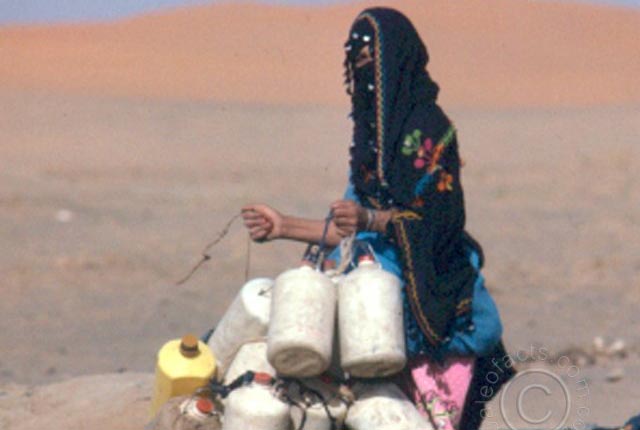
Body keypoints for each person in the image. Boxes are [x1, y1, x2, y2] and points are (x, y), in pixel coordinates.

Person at [242, 7, 514, 429]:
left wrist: (371, 219)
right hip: (368, 275)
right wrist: (284, 227)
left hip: (429, 289)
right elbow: (350, 231)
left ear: (397, 61)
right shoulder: (371, 143)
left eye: (372, 59)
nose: (363, 70)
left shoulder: (429, 129)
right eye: (356, 61)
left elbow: (439, 222)